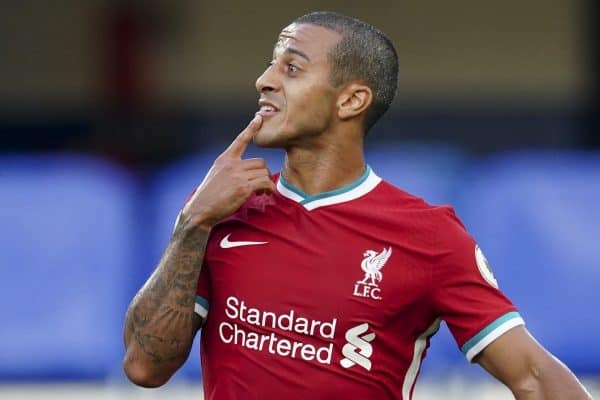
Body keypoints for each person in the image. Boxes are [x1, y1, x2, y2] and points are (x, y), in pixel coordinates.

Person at [122, 11, 592, 400]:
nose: (264, 81)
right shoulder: (219, 210)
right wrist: (192, 222)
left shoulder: (429, 237)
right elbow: (144, 367)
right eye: (270, 65)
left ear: (351, 100)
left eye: (291, 68)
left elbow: (534, 377)